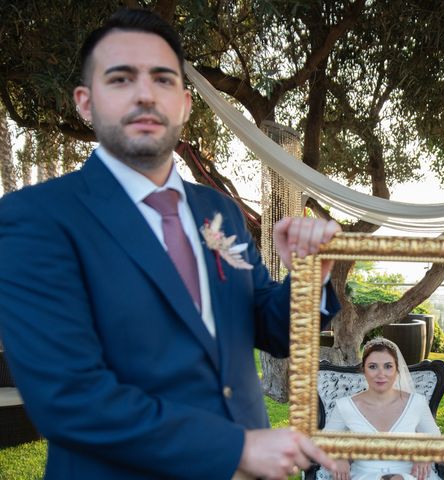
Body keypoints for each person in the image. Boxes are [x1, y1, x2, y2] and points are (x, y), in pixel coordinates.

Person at [0, 8, 341, 480]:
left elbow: (269, 327)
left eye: (162, 80)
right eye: (120, 79)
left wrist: (310, 276)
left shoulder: (218, 211)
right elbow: (70, 398)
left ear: (184, 103)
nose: (145, 94)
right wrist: (236, 449)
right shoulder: (34, 219)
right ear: (85, 101)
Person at [324, 338, 441, 480]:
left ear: (397, 370)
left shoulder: (416, 403)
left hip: (409, 475)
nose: (381, 374)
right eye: (373, 366)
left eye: (388, 366)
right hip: (364, 476)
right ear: (363, 370)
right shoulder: (345, 406)